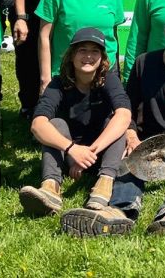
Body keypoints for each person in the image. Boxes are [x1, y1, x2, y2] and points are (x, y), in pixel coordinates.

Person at [60, 8, 165, 237]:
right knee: (126, 166)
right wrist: (130, 134)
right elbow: (126, 107)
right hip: (145, 141)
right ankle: (118, 214)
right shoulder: (144, 63)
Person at [19, 28, 131, 216]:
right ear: (72, 55)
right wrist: (73, 150)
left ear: (102, 57)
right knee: (55, 124)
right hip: (69, 154)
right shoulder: (58, 83)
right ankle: (50, 187)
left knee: (116, 123)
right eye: (82, 50)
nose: (88, 56)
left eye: (94, 51)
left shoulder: (109, 79)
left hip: (101, 154)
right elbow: (37, 125)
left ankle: (104, 183)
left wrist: (89, 153)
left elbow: (124, 115)